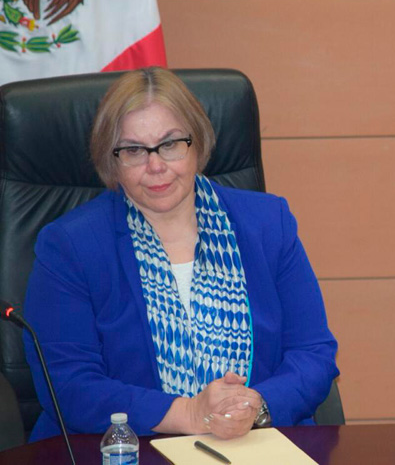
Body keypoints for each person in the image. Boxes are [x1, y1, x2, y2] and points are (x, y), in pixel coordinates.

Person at [24, 67, 338, 441]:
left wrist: (257, 406)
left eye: (170, 144)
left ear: (197, 144)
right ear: (112, 159)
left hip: (255, 442)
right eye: (134, 150)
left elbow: (313, 353)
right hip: (126, 449)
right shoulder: (70, 246)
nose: (156, 165)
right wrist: (186, 414)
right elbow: (67, 384)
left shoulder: (269, 224)